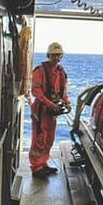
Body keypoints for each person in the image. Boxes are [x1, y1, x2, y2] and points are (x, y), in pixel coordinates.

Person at [28, 40, 68, 178]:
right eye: (53, 55)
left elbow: (63, 92)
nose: (56, 58)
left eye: (58, 55)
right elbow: (36, 91)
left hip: (52, 112)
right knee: (39, 139)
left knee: (49, 139)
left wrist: (66, 103)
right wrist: (48, 103)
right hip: (41, 111)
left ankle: (43, 163)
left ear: (62, 56)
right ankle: (36, 167)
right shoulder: (40, 71)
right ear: (48, 55)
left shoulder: (61, 72)